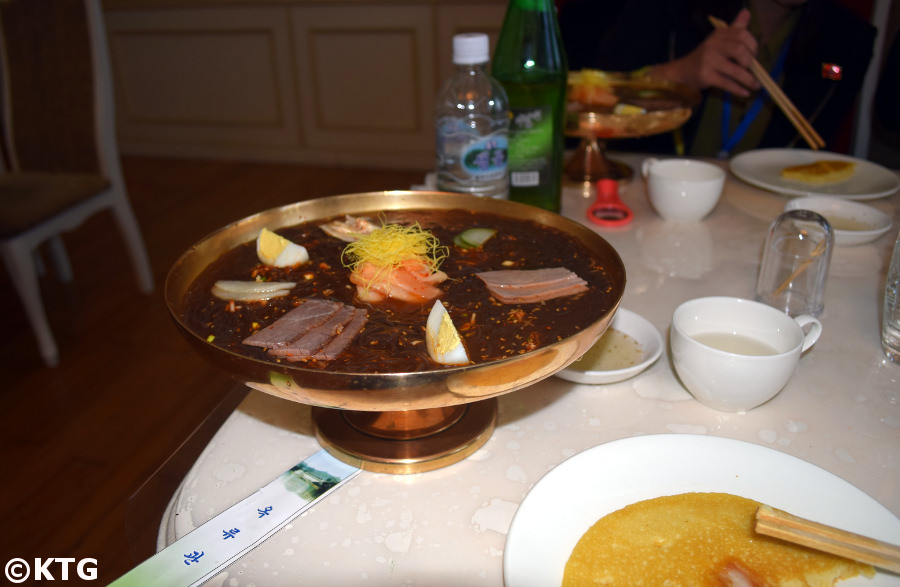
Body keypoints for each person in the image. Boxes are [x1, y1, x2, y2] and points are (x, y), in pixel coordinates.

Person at [572, 0, 876, 156]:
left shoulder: (849, 40)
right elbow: (593, 100)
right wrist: (683, 75)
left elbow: (812, 161)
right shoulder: (669, 8)